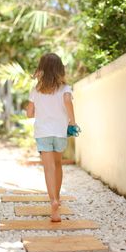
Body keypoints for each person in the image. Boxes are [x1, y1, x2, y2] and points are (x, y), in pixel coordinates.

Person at [26, 53, 76, 222]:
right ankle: (58, 198)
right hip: (59, 132)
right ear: (59, 69)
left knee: (48, 168)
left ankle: (53, 201)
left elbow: (29, 113)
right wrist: (72, 122)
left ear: (42, 69)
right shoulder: (65, 89)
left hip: (43, 133)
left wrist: (38, 110)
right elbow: (68, 100)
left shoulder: (36, 90)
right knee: (58, 165)